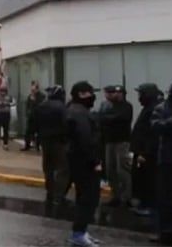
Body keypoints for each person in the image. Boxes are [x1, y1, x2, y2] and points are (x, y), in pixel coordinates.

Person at [66, 81, 102, 247]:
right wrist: (95, 162)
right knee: (88, 198)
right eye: (89, 93)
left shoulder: (74, 110)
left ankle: (81, 232)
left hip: (77, 161)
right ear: (81, 94)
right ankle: (78, 234)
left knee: (84, 197)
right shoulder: (79, 113)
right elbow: (85, 139)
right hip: (84, 163)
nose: (92, 96)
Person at [151, 81, 172, 246]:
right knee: (165, 200)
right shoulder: (162, 108)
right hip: (168, 161)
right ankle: (165, 234)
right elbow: (155, 126)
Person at [99, 84, 133, 208]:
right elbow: (102, 119)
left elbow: (119, 118)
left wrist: (107, 119)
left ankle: (126, 196)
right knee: (110, 169)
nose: (115, 94)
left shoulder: (127, 106)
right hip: (109, 141)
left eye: (118, 93)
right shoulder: (107, 106)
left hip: (122, 141)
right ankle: (116, 195)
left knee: (122, 169)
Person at [35, 85, 70, 206]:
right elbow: (66, 124)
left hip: (45, 141)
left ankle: (50, 191)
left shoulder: (41, 106)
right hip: (59, 142)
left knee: (48, 168)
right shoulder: (62, 108)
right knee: (62, 168)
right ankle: (58, 195)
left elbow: (33, 122)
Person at [130, 83, 161, 217]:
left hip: (148, 153)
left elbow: (152, 134)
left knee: (150, 180)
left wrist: (144, 153)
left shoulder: (154, 109)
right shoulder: (149, 107)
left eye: (141, 94)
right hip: (143, 151)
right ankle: (146, 203)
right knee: (142, 179)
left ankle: (151, 206)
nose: (139, 97)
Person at [22, 81, 46, 151]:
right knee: (28, 132)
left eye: (33, 90)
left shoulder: (42, 96)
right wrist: (27, 113)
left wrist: (34, 101)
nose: (32, 91)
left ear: (37, 89)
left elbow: (40, 106)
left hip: (38, 117)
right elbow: (27, 106)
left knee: (39, 133)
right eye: (31, 90)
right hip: (31, 117)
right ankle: (27, 145)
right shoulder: (30, 96)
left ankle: (38, 146)